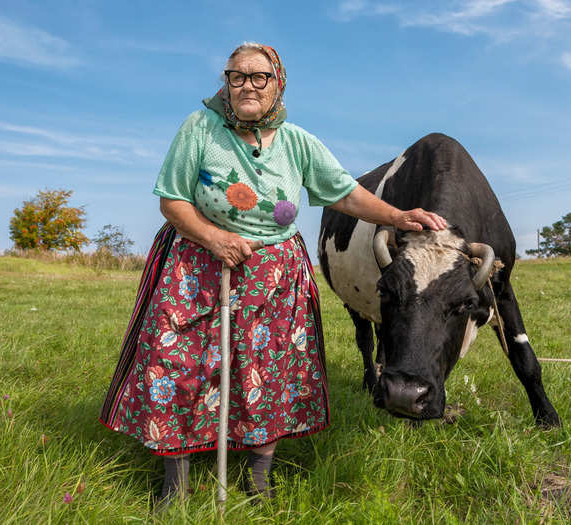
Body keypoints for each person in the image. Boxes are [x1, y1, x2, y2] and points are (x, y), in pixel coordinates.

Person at [100, 42, 446, 504]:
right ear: (225, 82)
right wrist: (214, 237)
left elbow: (344, 194)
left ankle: (257, 479)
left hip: (274, 274)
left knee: (269, 372)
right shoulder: (199, 128)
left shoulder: (297, 141)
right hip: (197, 264)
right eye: (236, 75)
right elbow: (172, 199)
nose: (247, 85)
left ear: (277, 83)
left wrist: (397, 216)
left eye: (258, 76)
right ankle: (175, 483)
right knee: (179, 364)